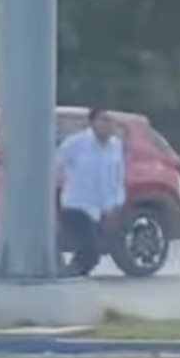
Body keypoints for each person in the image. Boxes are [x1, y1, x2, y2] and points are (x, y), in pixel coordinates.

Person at [56, 107, 125, 277]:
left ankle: (69, 276)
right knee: (90, 253)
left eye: (109, 120)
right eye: (102, 120)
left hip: (100, 209)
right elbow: (56, 166)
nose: (107, 124)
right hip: (76, 205)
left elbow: (117, 177)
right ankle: (69, 276)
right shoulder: (75, 144)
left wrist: (116, 204)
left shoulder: (116, 146)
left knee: (91, 252)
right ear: (92, 122)